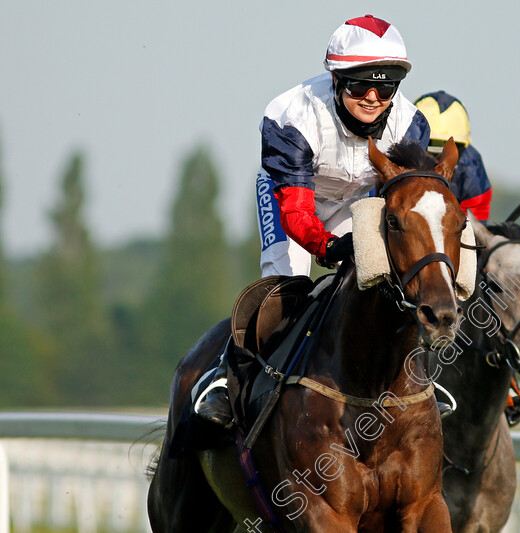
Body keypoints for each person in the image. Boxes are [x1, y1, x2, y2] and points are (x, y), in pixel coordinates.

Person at [198, 15, 477, 427]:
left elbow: (407, 201)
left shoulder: (410, 122)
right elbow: (296, 210)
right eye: (360, 84)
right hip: (292, 195)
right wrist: (327, 246)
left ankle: (410, 375)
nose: (372, 97)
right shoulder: (291, 116)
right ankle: (228, 375)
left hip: (359, 199)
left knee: (381, 280)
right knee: (286, 282)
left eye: (384, 87)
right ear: (335, 80)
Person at [413, 91, 492, 223]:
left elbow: (476, 224)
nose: (438, 160)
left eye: (448, 147)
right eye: (430, 144)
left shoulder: (472, 167)